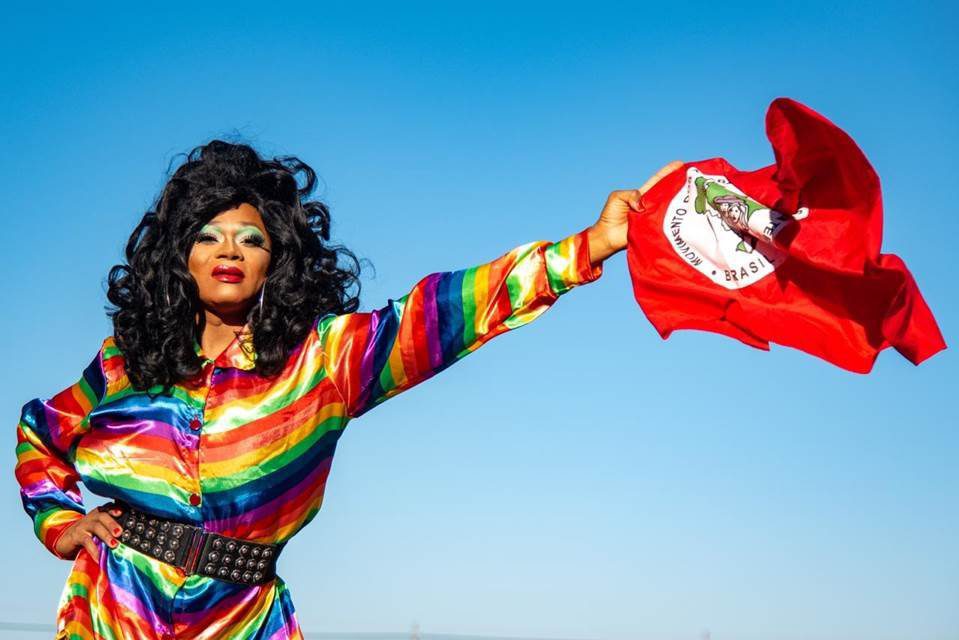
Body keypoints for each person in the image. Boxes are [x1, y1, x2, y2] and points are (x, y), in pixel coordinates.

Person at [14, 140, 678, 640]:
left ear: (277, 259)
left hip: (242, 615)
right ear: (179, 256)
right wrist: (65, 526)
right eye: (208, 234)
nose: (229, 250)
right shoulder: (126, 366)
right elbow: (39, 434)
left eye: (252, 239)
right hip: (115, 606)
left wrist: (588, 246)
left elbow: (443, 314)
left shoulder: (325, 359)